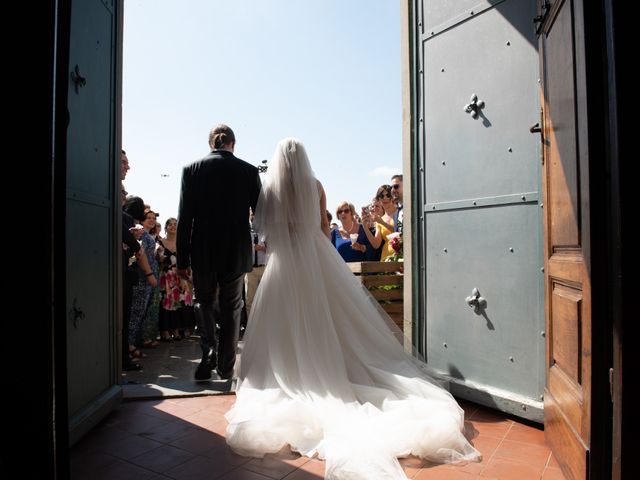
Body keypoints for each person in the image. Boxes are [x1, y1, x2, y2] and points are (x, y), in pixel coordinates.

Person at [225, 138, 480, 479]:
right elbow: (319, 227)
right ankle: (331, 366)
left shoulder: (270, 190)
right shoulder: (315, 185)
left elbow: (264, 229)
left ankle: (294, 371)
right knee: (329, 317)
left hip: (284, 265)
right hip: (315, 259)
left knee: (282, 323)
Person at [177, 124, 261, 382]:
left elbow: (185, 219)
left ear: (210, 143)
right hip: (235, 250)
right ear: (233, 144)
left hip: (202, 248)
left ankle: (208, 349)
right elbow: (261, 215)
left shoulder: (191, 170)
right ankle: (226, 366)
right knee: (231, 307)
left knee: (202, 300)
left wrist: (182, 259)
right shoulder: (248, 171)